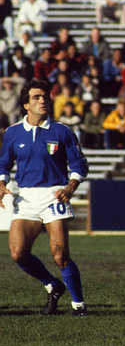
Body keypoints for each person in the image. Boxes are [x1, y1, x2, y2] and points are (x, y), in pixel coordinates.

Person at [0, 79, 89, 316]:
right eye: (37, 97)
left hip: (54, 195)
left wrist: (71, 187)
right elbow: (4, 163)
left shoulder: (62, 131)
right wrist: (1, 183)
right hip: (26, 198)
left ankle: (79, 305)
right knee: (18, 253)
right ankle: (52, 284)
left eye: (45, 96)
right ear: (26, 105)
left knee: (60, 254)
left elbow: (79, 163)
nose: (43, 100)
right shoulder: (13, 133)